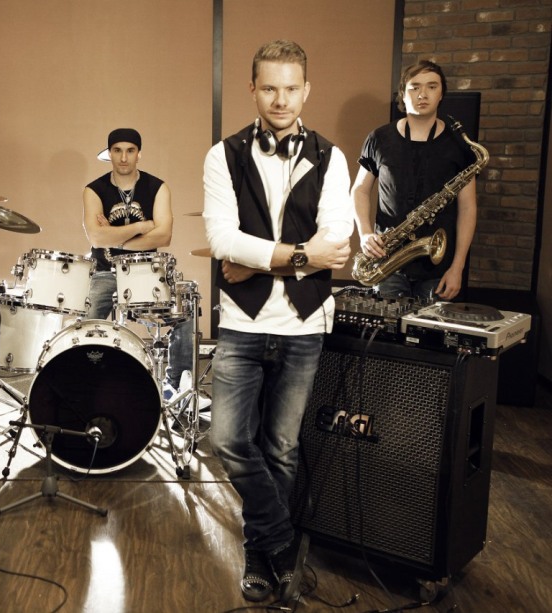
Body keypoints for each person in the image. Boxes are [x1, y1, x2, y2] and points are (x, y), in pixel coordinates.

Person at [202, 40, 353, 605]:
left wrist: (260, 259)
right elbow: (222, 239)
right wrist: (300, 256)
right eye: (269, 87)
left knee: (282, 448)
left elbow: (337, 241)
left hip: (304, 325)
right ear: (252, 89)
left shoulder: (332, 157)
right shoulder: (223, 156)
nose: (280, 99)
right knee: (227, 439)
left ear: (306, 90)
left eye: (291, 88)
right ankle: (285, 540)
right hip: (242, 323)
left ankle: (260, 557)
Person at [82, 128, 203, 404]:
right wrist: (142, 226)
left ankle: (175, 385)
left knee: (184, 314)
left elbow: (164, 236)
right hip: (106, 271)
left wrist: (116, 238)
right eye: (117, 150)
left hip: (146, 270)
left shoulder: (157, 187)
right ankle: (89, 381)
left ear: (139, 154)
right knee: (88, 322)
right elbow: (96, 237)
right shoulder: (94, 190)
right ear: (109, 153)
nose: (123, 157)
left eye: (130, 150)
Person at [352, 60, 478, 302]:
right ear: (402, 93)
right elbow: (359, 190)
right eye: (414, 87)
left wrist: (457, 267)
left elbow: (468, 208)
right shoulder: (379, 138)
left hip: (438, 266)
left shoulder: (459, 144)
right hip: (386, 260)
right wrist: (365, 234)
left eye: (432, 86)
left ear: (442, 94)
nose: (423, 94)